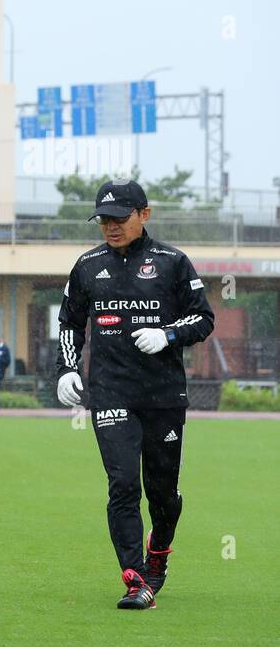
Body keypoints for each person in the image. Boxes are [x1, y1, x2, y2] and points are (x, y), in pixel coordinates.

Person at [56, 179, 214, 610]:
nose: (110, 226)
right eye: (104, 219)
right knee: (123, 484)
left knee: (162, 493)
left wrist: (167, 334)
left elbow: (203, 319)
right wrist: (68, 368)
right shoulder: (87, 266)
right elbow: (69, 322)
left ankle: (158, 554)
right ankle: (134, 579)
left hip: (163, 396)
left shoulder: (172, 263)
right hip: (110, 394)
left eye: (119, 218)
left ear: (144, 215)